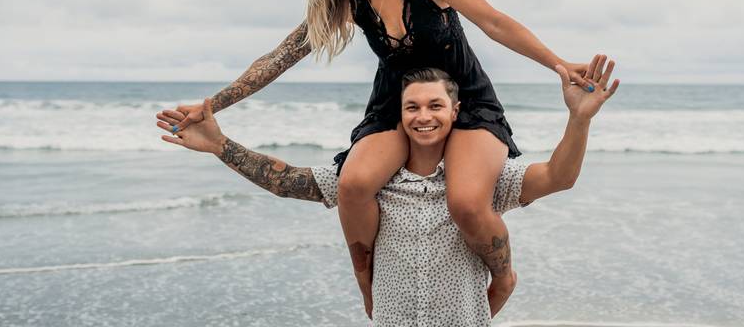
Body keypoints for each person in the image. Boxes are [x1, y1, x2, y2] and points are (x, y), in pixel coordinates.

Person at [159, 0, 592, 315]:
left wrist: (558, 64)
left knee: (465, 204)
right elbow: (278, 58)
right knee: (352, 185)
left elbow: (494, 22)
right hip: (394, 103)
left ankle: (504, 276)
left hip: (463, 99)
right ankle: (368, 285)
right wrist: (214, 105)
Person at [158, 56, 618, 325]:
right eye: (412, 106)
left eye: (436, 105)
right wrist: (220, 145)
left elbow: (559, 176)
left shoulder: (480, 186)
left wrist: (579, 119)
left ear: (455, 111)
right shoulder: (372, 184)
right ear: (398, 115)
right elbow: (286, 181)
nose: (424, 116)